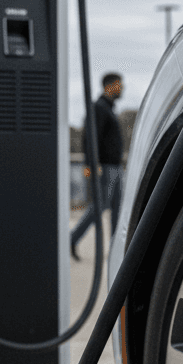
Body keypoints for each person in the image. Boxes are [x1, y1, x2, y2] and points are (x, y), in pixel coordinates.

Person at [71, 72, 124, 260]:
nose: (122, 88)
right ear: (109, 86)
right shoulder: (99, 108)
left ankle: (117, 249)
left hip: (116, 168)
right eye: (119, 85)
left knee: (119, 208)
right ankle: (72, 238)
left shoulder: (109, 109)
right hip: (106, 168)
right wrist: (91, 164)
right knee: (100, 206)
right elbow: (90, 137)